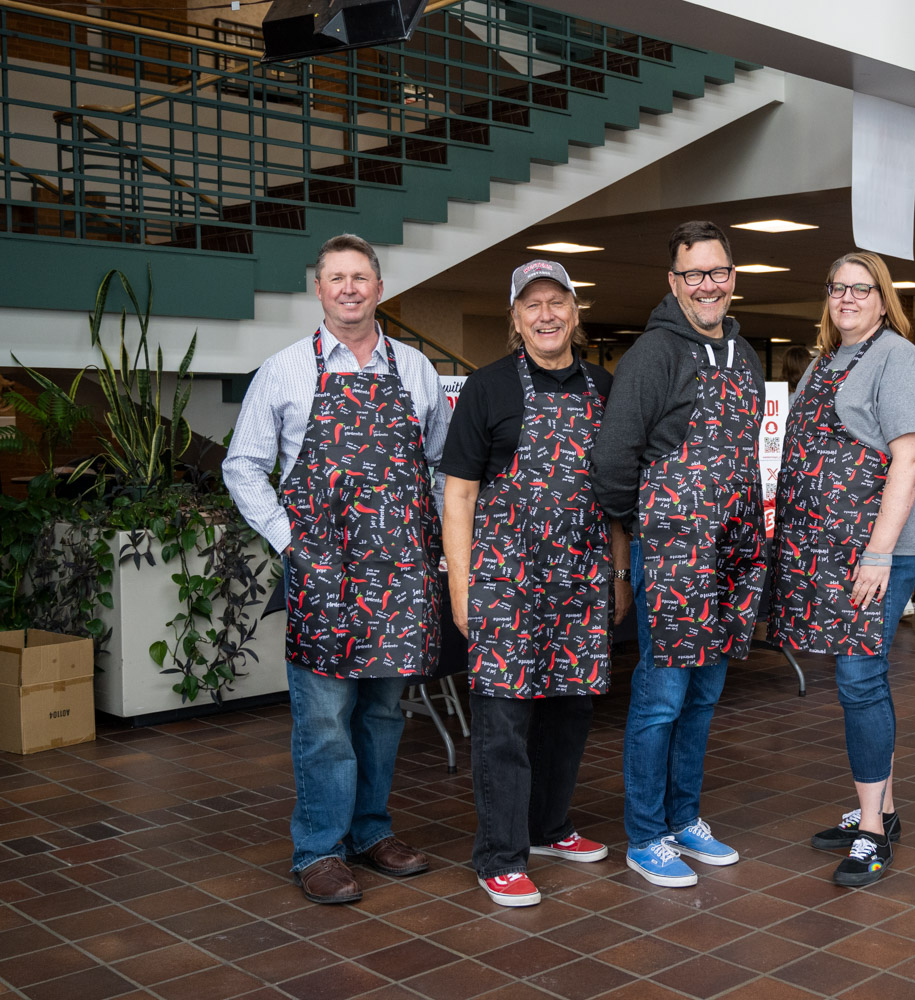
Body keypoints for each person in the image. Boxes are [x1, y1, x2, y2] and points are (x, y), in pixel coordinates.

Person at [223, 233, 448, 905]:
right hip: (323, 572)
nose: (349, 288)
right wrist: (292, 539)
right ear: (319, 291)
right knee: (324, 717)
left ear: (379, 288)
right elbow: (242, 465)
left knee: (382, 713)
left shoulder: (415, 370)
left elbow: (438, 464)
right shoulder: (286, 368)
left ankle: (371, 833)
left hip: (399, 574)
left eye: (360, 277)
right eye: (336, 278)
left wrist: (427, 542)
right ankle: (318, 847)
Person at [441, 260, 625, 907]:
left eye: (557, 302)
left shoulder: (605, 389)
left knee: (570, 712)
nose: (545, 314)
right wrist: (462, 588)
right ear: (515, 320)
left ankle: (549, 827)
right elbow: (458, 494)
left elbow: (615, 495)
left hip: (580, 580)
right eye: (532, 305)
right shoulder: (487, 389)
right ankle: (500, 854)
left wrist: (619, 574)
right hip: (505, 584)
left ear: (576, 312)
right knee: (505, 721)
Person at [592, 221, 767, 889]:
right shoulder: (653, 354)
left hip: (732, 546)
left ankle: (684, 816)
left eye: (717, 271)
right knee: (662, 696)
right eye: (694, 274)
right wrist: (648, 531)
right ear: (674, 283)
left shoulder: (745, 354)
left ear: (732, 276)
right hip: (670, 549)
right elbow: (613, 459)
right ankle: (645, 834)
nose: (708, 285)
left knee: (704, 694)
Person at [766, 251, 915, 886]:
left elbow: (910, 458)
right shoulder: (822, 362)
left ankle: (872, 833)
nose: (846, 298)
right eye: (837, 288)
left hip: (877, 547)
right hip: (829, 547)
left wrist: (877, 552)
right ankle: (881, 810)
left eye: (860, 289)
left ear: (882, 297)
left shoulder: (900, 359)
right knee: (859, 675)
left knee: (859, 675)